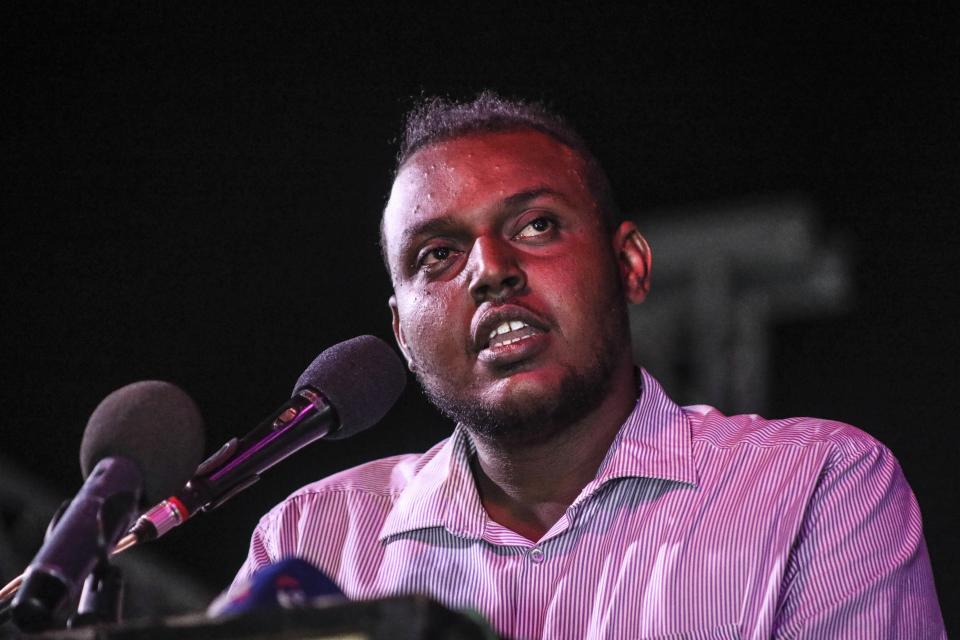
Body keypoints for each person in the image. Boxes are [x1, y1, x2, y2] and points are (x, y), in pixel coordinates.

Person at [223, 93, 945, 638]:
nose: (491, 270)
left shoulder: (819, 488)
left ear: (629, 265)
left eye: (535, 226)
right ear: (402, 335)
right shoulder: (308, 539)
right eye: (437, 255)